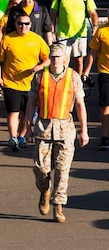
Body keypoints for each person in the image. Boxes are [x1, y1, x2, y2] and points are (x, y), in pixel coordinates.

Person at [24, 43, 88, 223]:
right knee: (40, 167)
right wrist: (28, 126)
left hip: (65, 129)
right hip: (43, 128)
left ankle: (58, 206)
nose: (55, 60)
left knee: (62, 169)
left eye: (58, 57)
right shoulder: (39, 77)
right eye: (52, 57)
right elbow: (31, 103)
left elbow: (80, 105)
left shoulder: (73, 77)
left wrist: (84, 130)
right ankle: (44, 189)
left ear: (65, 59)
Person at [0, 13, 50, 150]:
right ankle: (13, 138)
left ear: (30, 25)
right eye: (20, 24)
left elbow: (48, 58)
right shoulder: (8, 39)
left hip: (31, 83)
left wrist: (40, 67)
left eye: (26, 24)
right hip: (11, 82)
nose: (23, 26)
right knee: (13, 111)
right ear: (15, 24)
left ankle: (21, 136)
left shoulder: (37, 39)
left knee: (27, 112)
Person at [50, 0, 97, 75]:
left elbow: (93, 13)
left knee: (78, 61)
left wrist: (95, 26)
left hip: (80, 34)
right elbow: (53, 13)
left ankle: (78, 82)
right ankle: (62, 82)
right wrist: (52, 31)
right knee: (64, 61)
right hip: (63, 34)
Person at [84, 14, 109, 149]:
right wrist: (86, 72)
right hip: (105, 73)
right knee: (105, 105)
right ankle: (105, 137)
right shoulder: (101, 31)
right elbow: (93, 53)